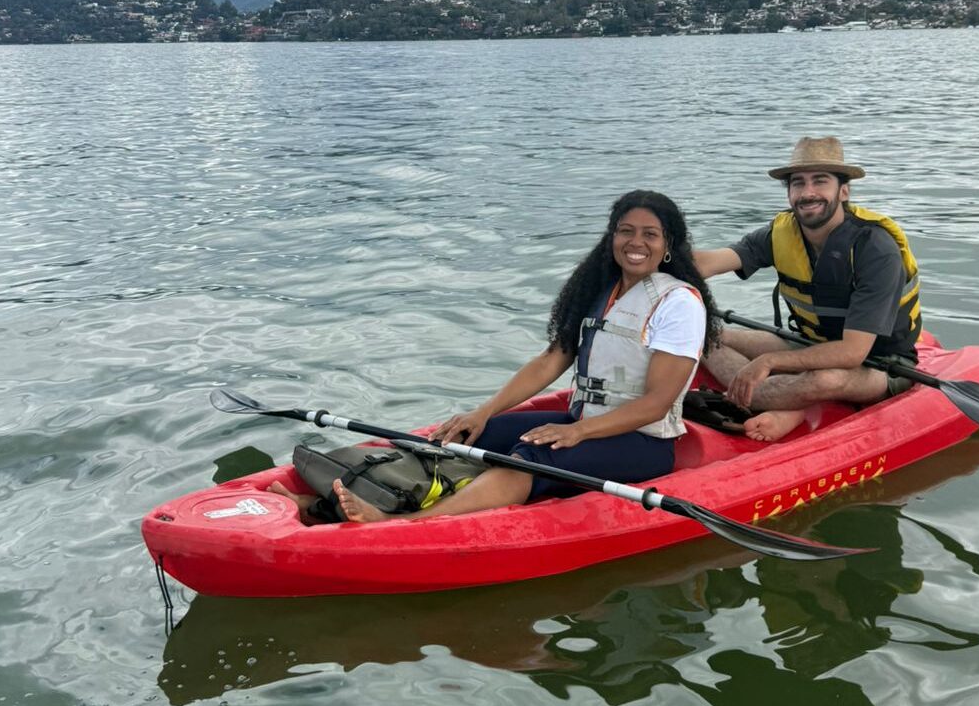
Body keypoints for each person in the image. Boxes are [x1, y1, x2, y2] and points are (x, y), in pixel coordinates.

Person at [272, 190, 720, 524]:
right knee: (468, 440)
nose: (635, 242)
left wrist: (578, 432)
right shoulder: (601, 290)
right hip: (583, 423)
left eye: (649, 234)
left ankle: (400, 523)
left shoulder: (678, 302)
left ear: (668, 244)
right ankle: (323, 507)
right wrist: (483, 412)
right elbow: (550, 362)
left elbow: (656, 404)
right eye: (625, 230)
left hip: (642, 443)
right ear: (611, 237)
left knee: (524, 458)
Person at [694, 137, 921, 443]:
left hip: (879, 364)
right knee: (705, 337)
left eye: (820, 181)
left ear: (843, 191)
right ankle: (780, 402)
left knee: (825, 379)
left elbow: (852, 353)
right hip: (808, 344)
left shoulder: (875, 249)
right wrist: (656, 263)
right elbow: (713, 261)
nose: (807, 192)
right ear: (789, 192)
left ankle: (786, 407)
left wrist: (768, 362)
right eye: (798, 183)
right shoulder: (781, 233)